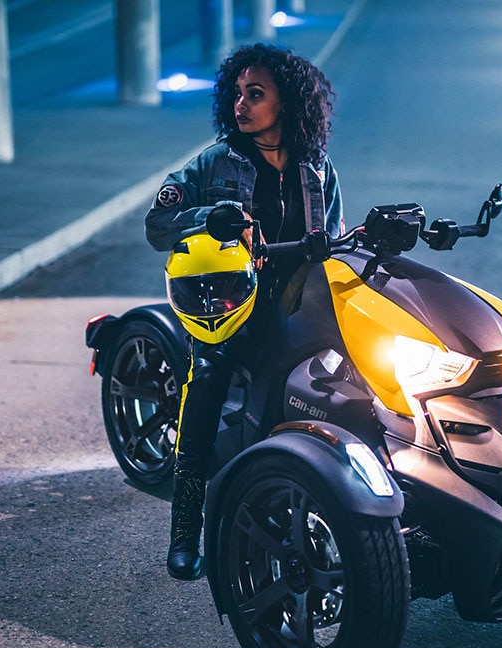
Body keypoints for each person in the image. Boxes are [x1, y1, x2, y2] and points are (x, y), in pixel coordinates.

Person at [145, 44, 344, 581]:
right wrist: (212, 216)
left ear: (289, 103)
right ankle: (185, 533)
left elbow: (336, 241)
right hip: (228, 309)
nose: (241, 104)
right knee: (204, 394)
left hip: (298, 306)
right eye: (237, 93)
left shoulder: (317, 167)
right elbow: (157, 225)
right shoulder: (214, 163)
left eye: (255, 94)